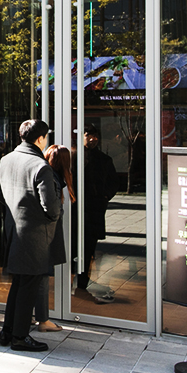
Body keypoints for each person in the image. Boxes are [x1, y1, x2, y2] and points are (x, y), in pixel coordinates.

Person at [0, 119, 60, 352]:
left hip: (14, 232)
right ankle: (20, 337)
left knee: (18, 284)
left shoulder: (7, 159)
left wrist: (16, 209)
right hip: (35, 236)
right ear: (40, 139)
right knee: (28, 286)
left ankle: (7, 331)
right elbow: (51, 207)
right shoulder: (40, 165)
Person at [34, 144, 73, 332]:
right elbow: (52, 209)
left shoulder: (47, 175)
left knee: (33, 278)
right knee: (41, 277)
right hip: (45, 234)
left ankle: (32, 316)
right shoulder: (52, 179)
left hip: (38, 233)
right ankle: (43, 320)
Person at [75, 124, 118, 298]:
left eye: (95, 136)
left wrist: (104, 197)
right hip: (75, 209)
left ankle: (82, 282)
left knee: (88, 247)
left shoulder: (104, 159)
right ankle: (71, 279)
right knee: (73, 245)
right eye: (88, 135)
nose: (93, 139)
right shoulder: (73, 156)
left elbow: (113, 183)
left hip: (94, 209)